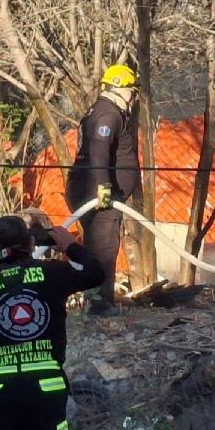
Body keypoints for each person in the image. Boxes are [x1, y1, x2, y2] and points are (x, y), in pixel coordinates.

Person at [0, 216, 105, 430]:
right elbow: (95, 273)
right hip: (46, 388)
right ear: (31, 244)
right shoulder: (52, 273)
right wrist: (70, 246)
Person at [65, 64, 139, 317]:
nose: (134, 96)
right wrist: (104, 186)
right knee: (103, 248)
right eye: (132, 90)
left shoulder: (100, 110)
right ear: (120, 88)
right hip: (97, 193)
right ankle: (99, 305)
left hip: (92, 190)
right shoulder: (110, 115)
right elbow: (98, 149)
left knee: (99, 246)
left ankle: (96, 299)